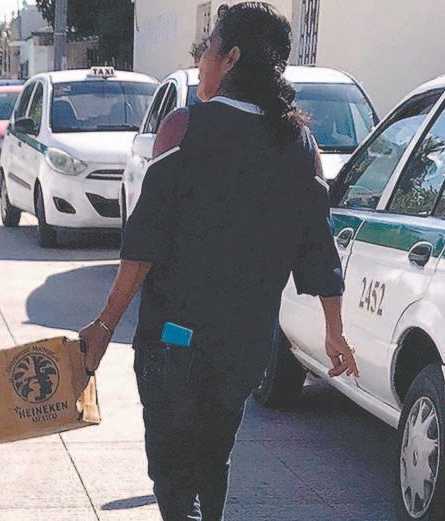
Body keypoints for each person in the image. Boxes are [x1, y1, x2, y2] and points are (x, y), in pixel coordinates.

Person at [77, 4, 359, 520]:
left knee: (171, 470)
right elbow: (318, 248)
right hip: (245, 346)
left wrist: (104, 323)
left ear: (230, 59)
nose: (201, 59)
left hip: (175, 338)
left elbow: (144, 242)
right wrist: (334, 331)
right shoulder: (301, 145)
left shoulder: (183, 129)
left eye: (208, 47)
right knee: (214, 454)